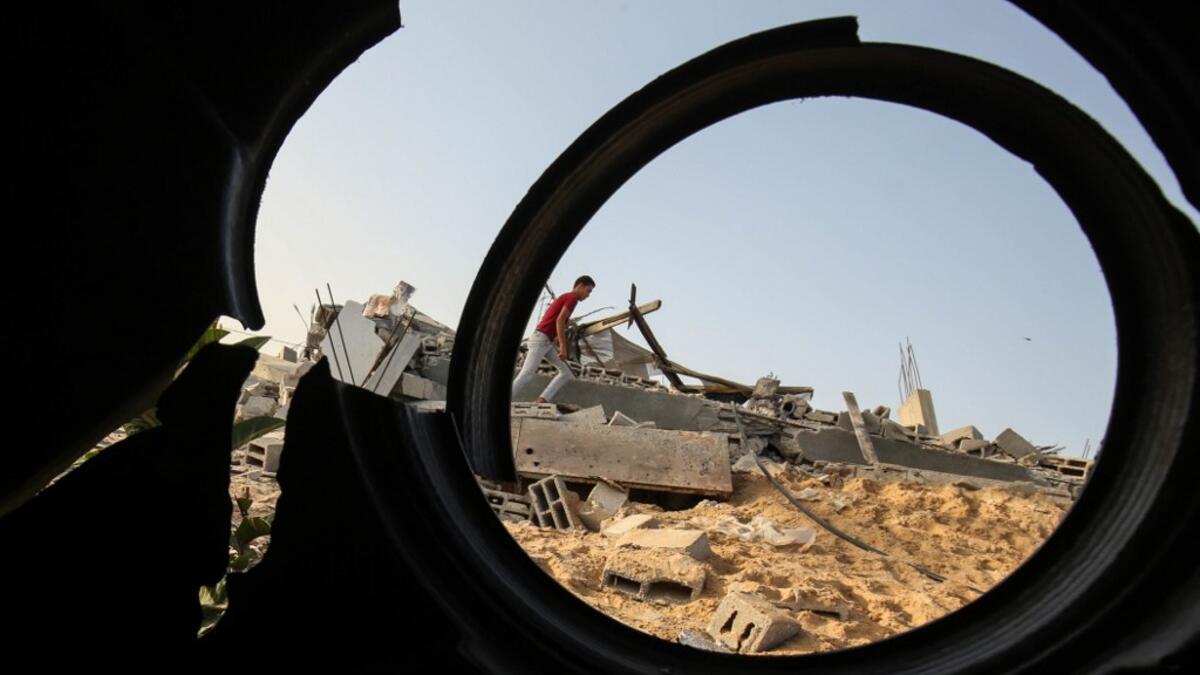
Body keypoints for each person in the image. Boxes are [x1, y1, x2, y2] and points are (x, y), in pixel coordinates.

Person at [511, 275, 595, 403]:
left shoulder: (567, 297)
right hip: (541, 340)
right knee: (527, 374)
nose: (588, 295)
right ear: (581, 286)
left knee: (567, 373)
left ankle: (541, 400)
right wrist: (563, 346)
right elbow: (560, 320)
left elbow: (555, 321)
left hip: (546, 341)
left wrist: (556, 338)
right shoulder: (572, 298)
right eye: (588, 291)